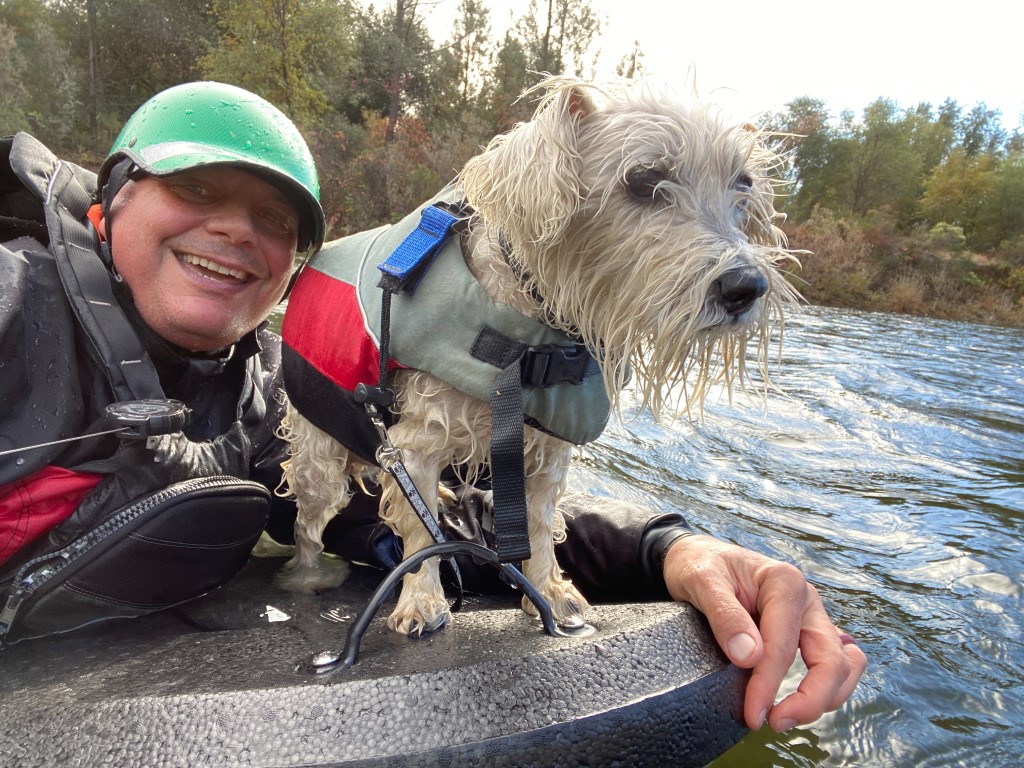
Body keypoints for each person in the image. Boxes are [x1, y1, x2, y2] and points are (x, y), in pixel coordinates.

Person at [0, 81, 864, 734]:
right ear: (107, 204)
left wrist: (668, 547)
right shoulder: (17, 300)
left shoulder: (269, 396)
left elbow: (461, 493)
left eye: (272, 218)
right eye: (196, 191)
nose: (235, 232)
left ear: (295, 262)